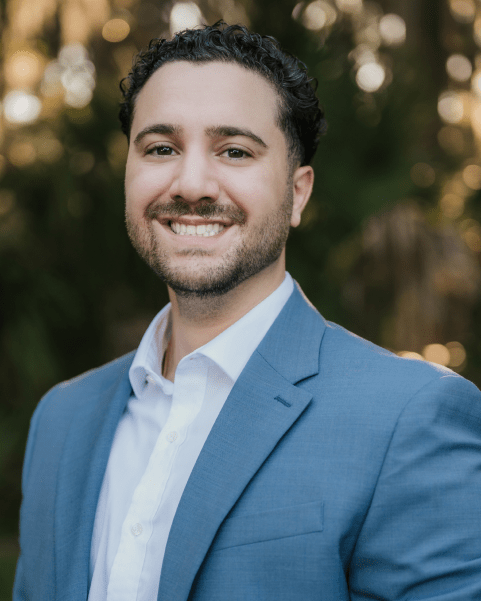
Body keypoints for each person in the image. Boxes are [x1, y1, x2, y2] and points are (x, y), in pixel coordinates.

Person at [13, 20, 481, 601]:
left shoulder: (409, 418)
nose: (191, 184)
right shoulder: (60, 420)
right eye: (161, 148)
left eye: (234, 151)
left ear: (298, 192)